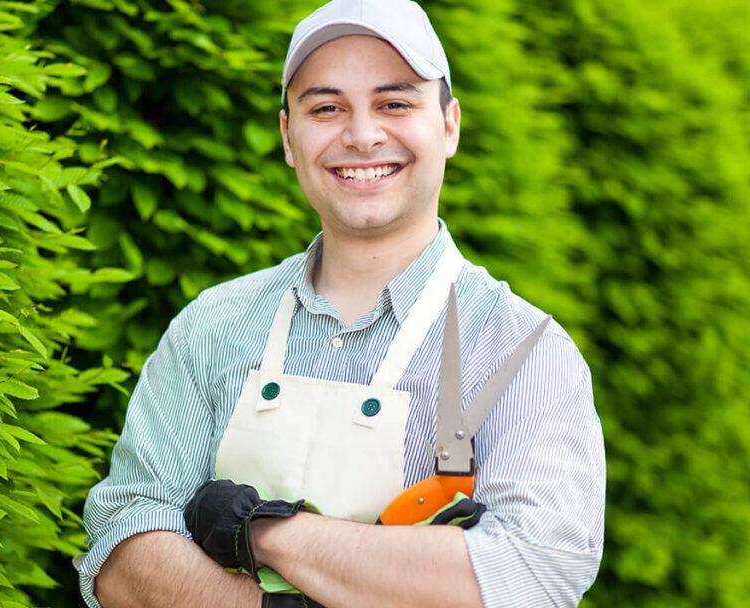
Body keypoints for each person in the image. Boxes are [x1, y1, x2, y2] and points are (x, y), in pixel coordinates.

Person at [73, 0, 606, 606]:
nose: (361, 135)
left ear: (450, 126)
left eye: (395, 103)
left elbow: (533, 570)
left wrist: (266, 531)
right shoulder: (212, 327)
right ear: (288, 137)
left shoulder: (521, 349)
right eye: (326, 108)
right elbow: (121, 544)